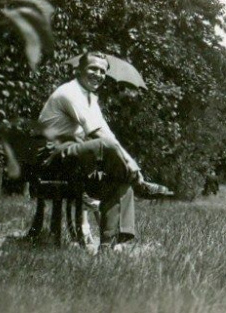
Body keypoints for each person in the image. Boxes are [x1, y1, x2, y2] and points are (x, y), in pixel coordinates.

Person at [38, 51, 171, 249]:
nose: (98, 74)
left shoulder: (90, 98)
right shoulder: (70, 92)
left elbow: (109, 134)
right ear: (79, 70)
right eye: (93, 68)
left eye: (102, 71)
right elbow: (99, 134)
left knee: (122, 180)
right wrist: (132, 166)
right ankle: (140, 184)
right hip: (52, 158)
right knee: (107, 148)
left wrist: (131, 167)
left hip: (74, 161)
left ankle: (109, 245)